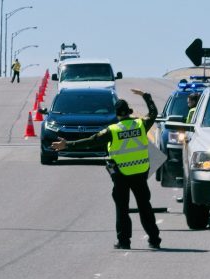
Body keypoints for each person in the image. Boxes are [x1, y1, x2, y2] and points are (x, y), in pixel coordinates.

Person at [51, 89, 162, 250]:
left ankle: (124, 241)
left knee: (122, 209)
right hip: (140, 172)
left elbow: (90, 141)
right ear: (130, 112)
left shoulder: (113, 130)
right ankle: (154, 239)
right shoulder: (140, 124)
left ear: (116, 114)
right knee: (145, 206)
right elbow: (153, 113)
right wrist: (146, 96)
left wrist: (67, 144)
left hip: (121, 175)